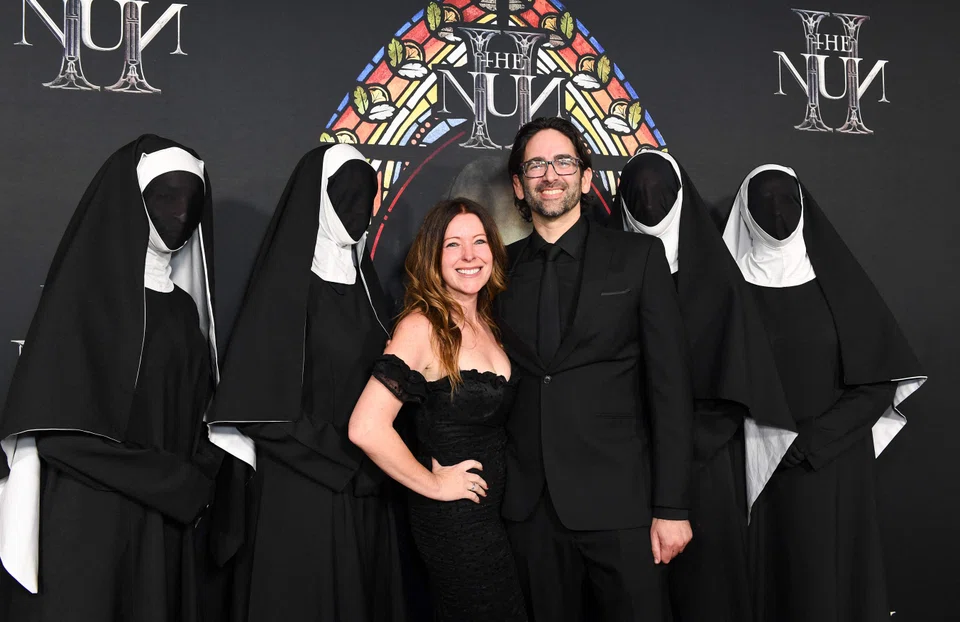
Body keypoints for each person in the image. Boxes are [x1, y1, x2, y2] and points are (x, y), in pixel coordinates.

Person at [0, 135, 222, 622]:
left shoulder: (186, 312)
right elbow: (53, 432)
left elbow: (197, 417)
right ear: (133, 202)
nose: (181, 213)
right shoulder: (84, 300)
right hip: (91, 520)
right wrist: (173, 482)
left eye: (192, 200)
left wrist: (198, 477)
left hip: (163, 524)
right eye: (165, 196)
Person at [495, 116, 694, 622]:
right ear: (518, 184)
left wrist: (672, 506)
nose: (550, 175)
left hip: (622, 505)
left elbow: (670, 388)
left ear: (586, 178)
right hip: (530, 509)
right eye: (536, 165)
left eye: (564, 162)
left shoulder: (638, 257)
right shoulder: (496, 270)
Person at [206, 144, 406, 622]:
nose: (357, 209)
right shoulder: (285, 289)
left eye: (365, 195)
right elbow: (255, 408)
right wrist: (344, 458)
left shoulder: (369, 290)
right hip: (299, 487)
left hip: (367, 487)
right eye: (344, 195)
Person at [722, 165, 926, 622]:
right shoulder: (727, 289)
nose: (777, 211)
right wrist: (766, 441)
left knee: (826, 585)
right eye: (763, 202)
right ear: (746, 212)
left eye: (787, 199)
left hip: (832, 464)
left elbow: (880, 378)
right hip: (751, 465)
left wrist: (814, 440)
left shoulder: (837, 282)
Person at [617, 149, 795, 622]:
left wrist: (680, 455)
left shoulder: (719, 281)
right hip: (625, 465)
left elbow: (738, 381)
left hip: (706, 463)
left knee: (710, 592)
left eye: (661, 192)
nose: (650, 203)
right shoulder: (608, 274)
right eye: (638, 193)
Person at [349, 197, 528, 622]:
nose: (469, 255)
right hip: (455, 522)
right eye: (452, 244)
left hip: (495, 514)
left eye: (479, 241)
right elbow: (366, 427)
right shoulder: (421, 327)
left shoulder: (489, 321)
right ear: (433, 255)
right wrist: (433, 484)